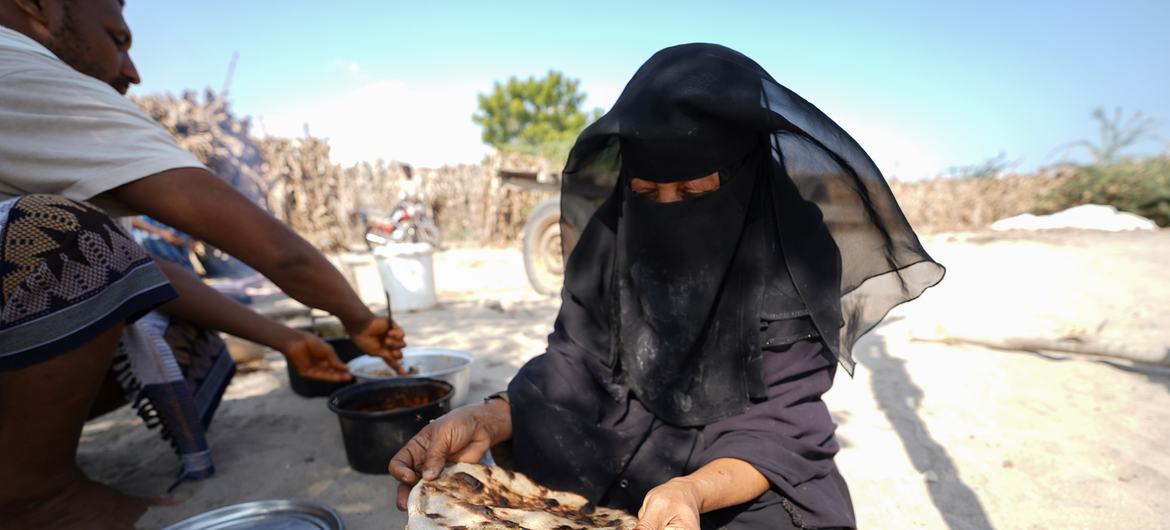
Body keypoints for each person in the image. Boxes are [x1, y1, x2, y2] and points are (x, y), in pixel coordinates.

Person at [390, 43, 945, 529]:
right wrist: (483, 418)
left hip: (738, 459)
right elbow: (573, 364)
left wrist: (692, 492)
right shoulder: (613, 235)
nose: (669, 214)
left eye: (695, 190)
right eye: (648, 194)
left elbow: (782, 421)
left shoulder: (793, 250)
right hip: (618, 432)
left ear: (745, 172)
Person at [0, 1, 407, 528]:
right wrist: (358, 319)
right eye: (117, 39)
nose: (133, 70)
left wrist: (284, 339)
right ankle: (33, 496)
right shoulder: (18, 69)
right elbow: (275, 249)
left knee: (148, 302)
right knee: (67, 236)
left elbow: (144, 271)